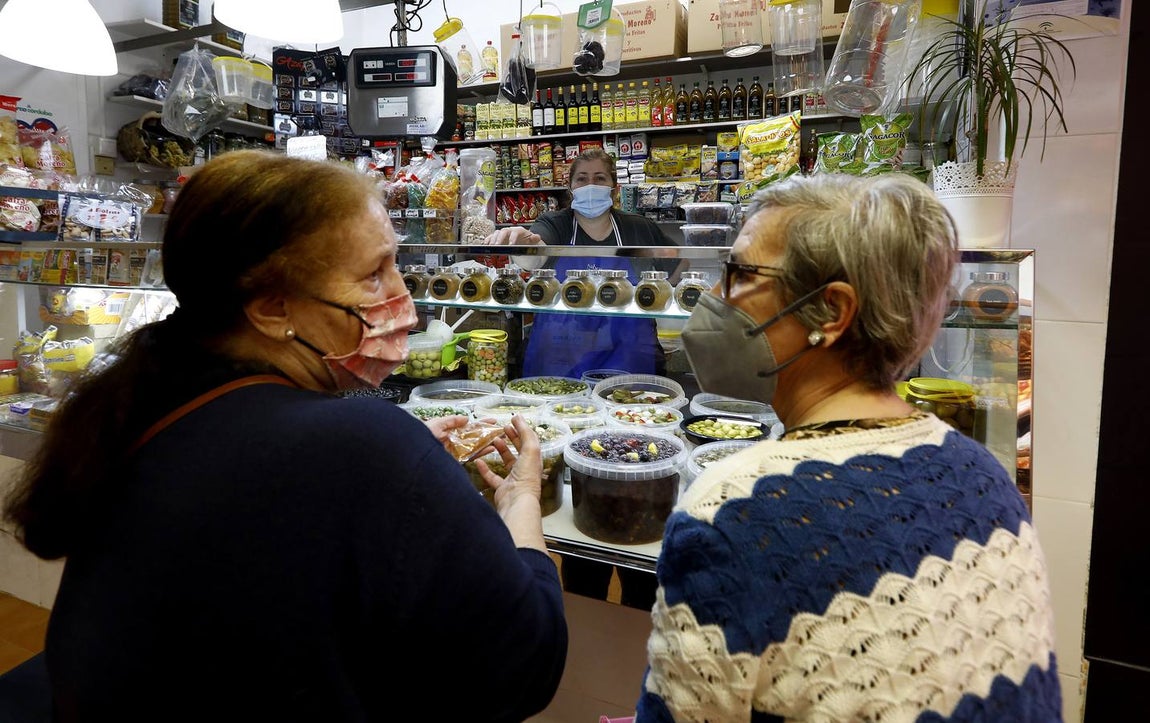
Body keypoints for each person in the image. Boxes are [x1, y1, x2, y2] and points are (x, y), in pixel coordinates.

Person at [2, 150, 568, 722]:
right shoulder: (364, 445)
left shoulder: (142, 403)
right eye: (374, 274)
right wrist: (520, 503)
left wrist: (405, 478)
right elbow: (527, 662)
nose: (408, 309)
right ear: (272, 308)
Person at [635, 172, 1061, 721]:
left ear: (831, 312)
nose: (716, 298)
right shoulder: (986, 474)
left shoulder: (734, 510)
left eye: (739, 275)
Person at [483, 147, 680, 610]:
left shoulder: (635, 227)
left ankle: (636, 595)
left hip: (631, 367)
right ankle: (582, 590)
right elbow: (532, 248)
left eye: (600, 177)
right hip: (561, 366)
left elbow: (673, 266)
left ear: (614, 185)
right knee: (574, 484)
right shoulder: (555, 224)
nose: (590, 185)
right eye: (582, 178)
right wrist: (521, 240)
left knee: (634, 474)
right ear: (571, 186)